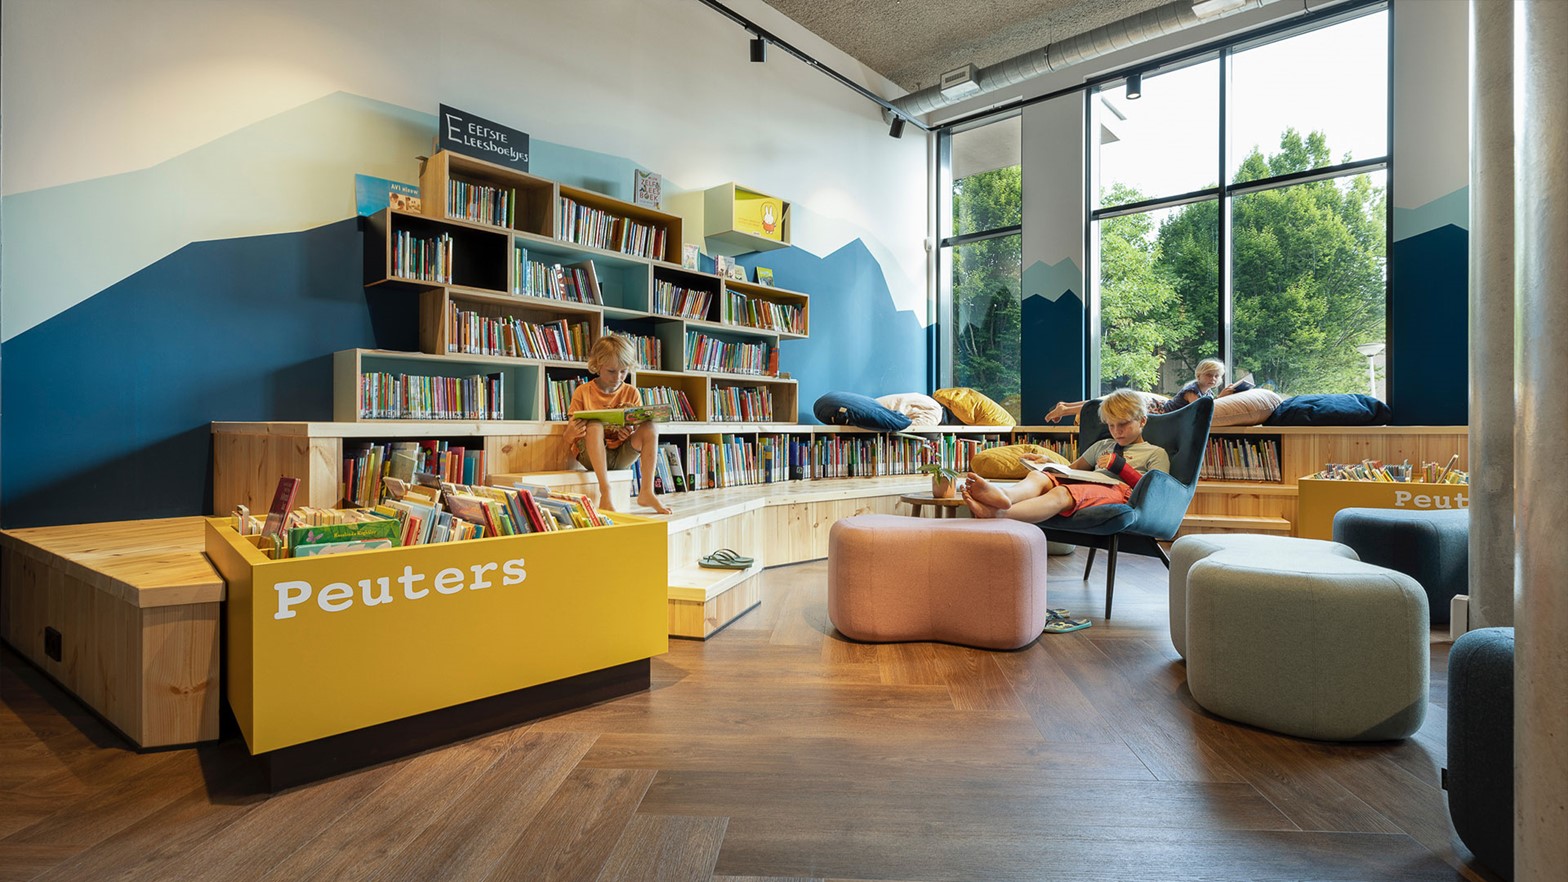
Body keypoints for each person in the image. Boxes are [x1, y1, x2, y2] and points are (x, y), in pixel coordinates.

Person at [964, 388, 1170, 523]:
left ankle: (998, 514)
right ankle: (1005, 496)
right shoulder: (1102, 446)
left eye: (1123, 424)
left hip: (1121, 492)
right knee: (1040, 476)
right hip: (1092, 484)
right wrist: (1048, 464)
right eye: (1111, 425)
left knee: (1062, 493)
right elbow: (1072, 471)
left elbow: (1156, 492)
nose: (1117, 431)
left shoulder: (1155, 453)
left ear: (1142, 421)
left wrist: (1120, 467)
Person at [563, 334, 672, 514]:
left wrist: (627, 434)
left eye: (623, 371)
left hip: (621, 454)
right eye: (611, 371)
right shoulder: (583, 392)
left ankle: (647, 491)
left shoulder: (632, 392)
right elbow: (568, 436)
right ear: (597, 366)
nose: (618, 377)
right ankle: (605, 491)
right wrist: (572, 433)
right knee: (594, 425)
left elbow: (637, 433)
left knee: (651, 426)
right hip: (591, 456)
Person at [1044, 358, 1240, 423]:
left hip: (1157, 403)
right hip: (1155, 407)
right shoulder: (1193, 390)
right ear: (1200, 375)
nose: (1213, 379)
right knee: (1109, 403)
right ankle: (1066, 409)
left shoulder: (1208, 392)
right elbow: (1200, 410)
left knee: (1107, 401)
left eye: (1216, 376)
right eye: (1209, 375)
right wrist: (1222, 398)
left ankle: (1066, 406)